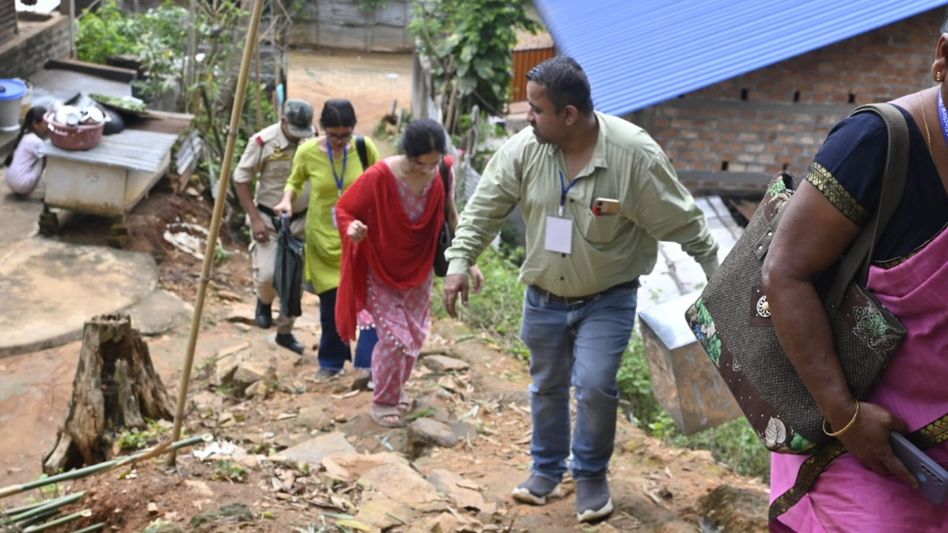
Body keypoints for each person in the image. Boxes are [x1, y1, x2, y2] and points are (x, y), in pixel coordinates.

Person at [442, 57, 719, 523]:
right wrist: (458, 261)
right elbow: (483, 209)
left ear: (569, 115)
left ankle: (590, 474)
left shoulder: (634, 157)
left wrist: (719, 276)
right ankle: (546, 471)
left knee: (593, 385)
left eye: (536, 109)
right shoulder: (523, 150)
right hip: (544, 296)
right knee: (547, 386)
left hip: (607, 298)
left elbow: (685, 221)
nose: (527, 116)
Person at [762, 23, 948, 532]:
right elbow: (785, 273)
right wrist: (845, 417)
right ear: (944, 57)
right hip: (863, 441)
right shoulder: (878, 142)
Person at [334, 118, 483, 428]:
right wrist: (354, 229)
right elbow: (345, 210)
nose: (426, 171)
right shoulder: (379, 176)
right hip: (381, 268)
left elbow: (451, 215)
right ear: (408, 155)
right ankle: (383, 401)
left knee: (414, 336)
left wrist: (469, 260)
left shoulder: (444, 171)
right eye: (420, 164)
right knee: (394, 339)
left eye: (432, 164)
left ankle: (395, 390)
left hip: (420, 268)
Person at [275, 99, 380, 381]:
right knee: (331, 302)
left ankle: (369, 364)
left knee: (368, 301)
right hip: (323, 236)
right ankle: (331, 361)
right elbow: (294, 183)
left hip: (359, 235)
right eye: (333, 135)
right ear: (321, 129)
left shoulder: (363, 148)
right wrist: (286, 201)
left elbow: (379, 183)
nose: (339, 141)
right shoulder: (308, 151)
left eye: (345, 135)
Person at [233, 99, 315, 355]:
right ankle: (264, 301)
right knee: (268, 275)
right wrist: (255, 217)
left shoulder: (313, 139)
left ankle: (285, 332)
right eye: (294, 131)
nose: (298, 137)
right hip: (268, 220)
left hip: (301, 222)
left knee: (293, 283)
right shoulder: (263, 142)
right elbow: (241, 178)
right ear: (283, 122)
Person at [4, 106, 48, 196]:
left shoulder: (25, 135)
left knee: (40, 153)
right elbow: (48, 157)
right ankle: (50, 190)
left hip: (9, 181)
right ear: (36, 124)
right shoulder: (35, 141)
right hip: (21, 184)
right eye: (46, 123)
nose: (48, 126)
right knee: (45, 157)